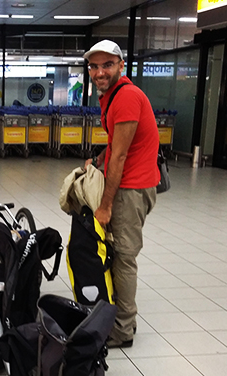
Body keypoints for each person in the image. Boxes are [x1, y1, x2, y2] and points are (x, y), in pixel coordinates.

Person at [83, 40, 159, 349]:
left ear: (121, 66)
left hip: (132, 188)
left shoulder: (126, 97)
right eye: (94, 66)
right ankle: (116, 315)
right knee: (117, 254)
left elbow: (122, 156)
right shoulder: (111, 96)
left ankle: (123, 329)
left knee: (124, 257)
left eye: (107, 65)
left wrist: (105, 204)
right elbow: (115, 144)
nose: (100, 72)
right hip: (129, 182)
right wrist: (97, 160)